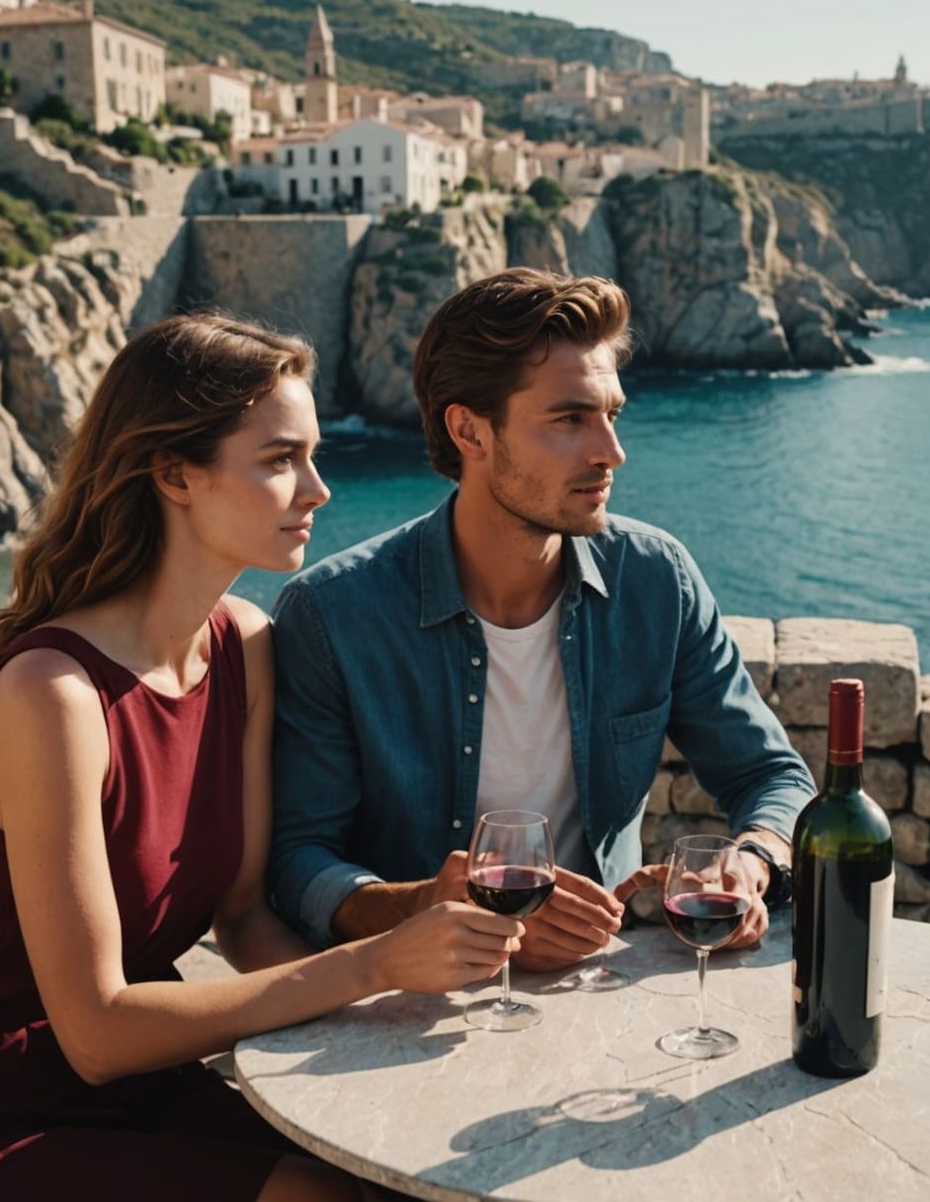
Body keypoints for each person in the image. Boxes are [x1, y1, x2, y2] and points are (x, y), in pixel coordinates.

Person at [0, 315, 524, 1202]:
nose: (319, 489)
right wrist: (375, 963)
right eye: (281, 460)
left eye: (314, 456)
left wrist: (399, 1005)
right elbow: (94, 1030)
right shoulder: (54, 695)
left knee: (397, 1172)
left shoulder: (243, 645)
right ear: (173, 473)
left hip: (136, 1090)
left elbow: (242, 920)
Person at [268, 269, 813, 968]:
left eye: (611, 414)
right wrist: (425, 906)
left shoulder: (656, 580)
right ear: (470, 430)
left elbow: (773, 777)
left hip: (599, 992)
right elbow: (295, 861)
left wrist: (752, 862)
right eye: (569, 420)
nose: (610, 452)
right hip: (408, 1015)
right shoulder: (334, 615)